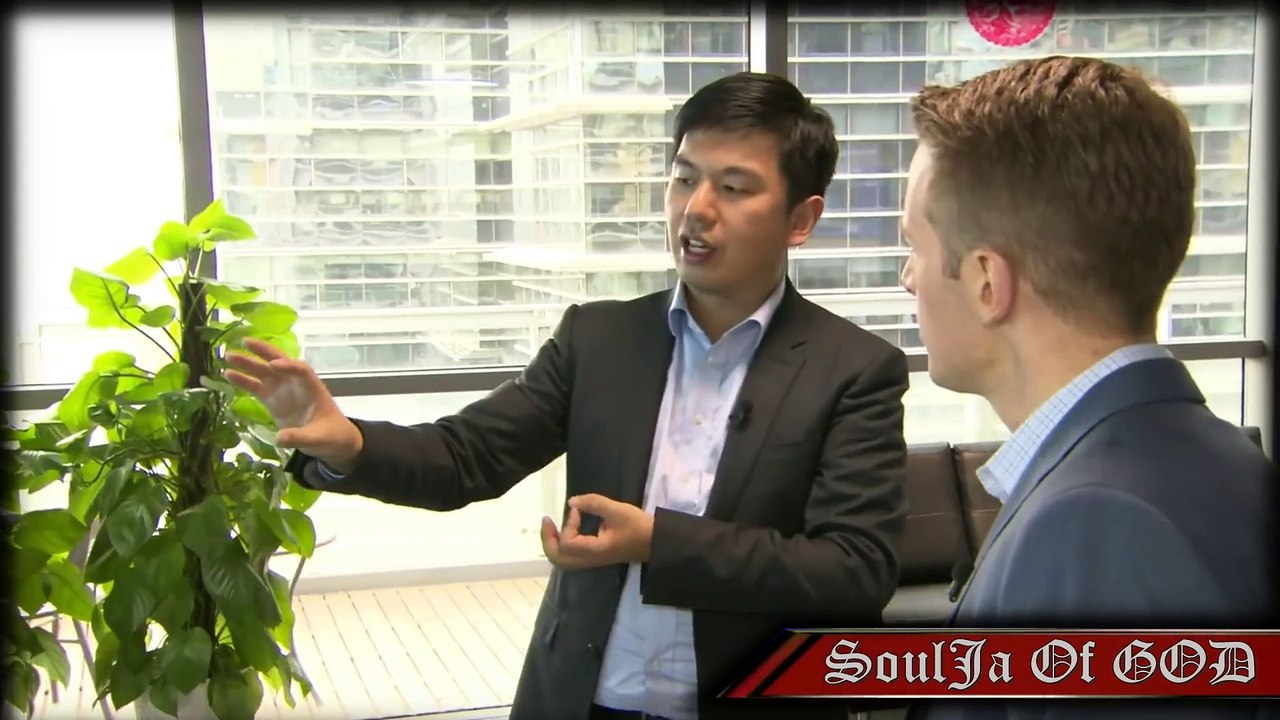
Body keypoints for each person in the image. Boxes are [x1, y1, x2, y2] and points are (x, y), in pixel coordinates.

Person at [227, 72, 911, 720]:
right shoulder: (600, 339)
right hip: (582, 699)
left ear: (801, 219)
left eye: (733, 188)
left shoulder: (853, 370)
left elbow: (854, 570)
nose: (696, 209)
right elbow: (467, 457)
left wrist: (657, 542)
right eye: (683, 178)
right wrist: (349, 444)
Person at [898, 55, 1275, 719]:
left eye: (915, 247)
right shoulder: (1223, 462)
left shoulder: (1097, 524)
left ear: (986, 282)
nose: (908, 278)